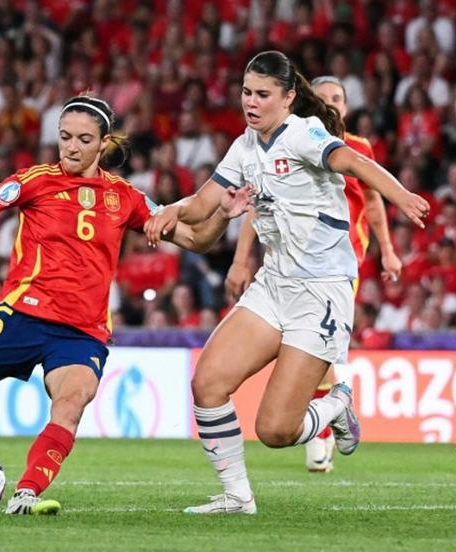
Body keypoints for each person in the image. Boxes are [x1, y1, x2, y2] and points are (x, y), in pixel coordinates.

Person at [0, 94, 252, 515]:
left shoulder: (126, 198)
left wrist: (222, 217)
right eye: (65, 137)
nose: (71, 147)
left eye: (83, 139)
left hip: (81, 333)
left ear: (103, 144)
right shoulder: (35, 181)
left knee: (70, 406)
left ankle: (26, 493)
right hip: (21, 318)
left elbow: (196, 240)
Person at [145, 51, 429, 514]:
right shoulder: (244, 146)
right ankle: (237, 497)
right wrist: (165, 212)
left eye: (262, 94)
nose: (251, 103)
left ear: (289, 97)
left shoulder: (304, 134)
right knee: (208, 384)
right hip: (274, 282)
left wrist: (402, 196)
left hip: (321, 291)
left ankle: (336, 403)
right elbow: (201, 206)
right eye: (245, 92)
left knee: (276, 431)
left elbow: (355, 164)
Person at [224, 75, 403, 474]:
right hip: (285, 268)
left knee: (313, 347)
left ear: (346, 106)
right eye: (323, 98)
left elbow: (372, 203)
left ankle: (322, 431)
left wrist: (388, 251)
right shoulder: (287, 142)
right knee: (302, 348)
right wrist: (241, 259)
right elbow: (258, 205)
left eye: (338, 98)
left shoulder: (357, 149)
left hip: (337, 268)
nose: (332, 104)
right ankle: (333, 410)